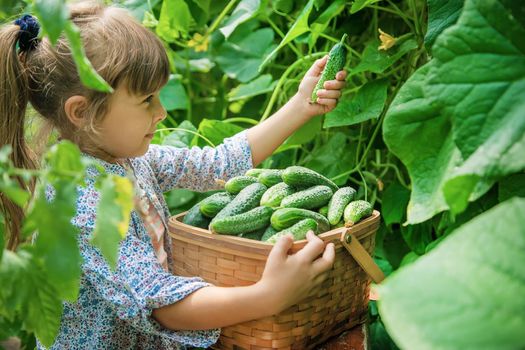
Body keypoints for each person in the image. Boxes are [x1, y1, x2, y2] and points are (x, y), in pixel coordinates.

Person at [0, 2, 347, 349]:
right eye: (147, 99)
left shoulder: (128, 158)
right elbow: (162, 304)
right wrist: (267, 296)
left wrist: (302, 105)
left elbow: (217, 165)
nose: (162, 112)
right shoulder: (80, 203)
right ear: (82, 112)